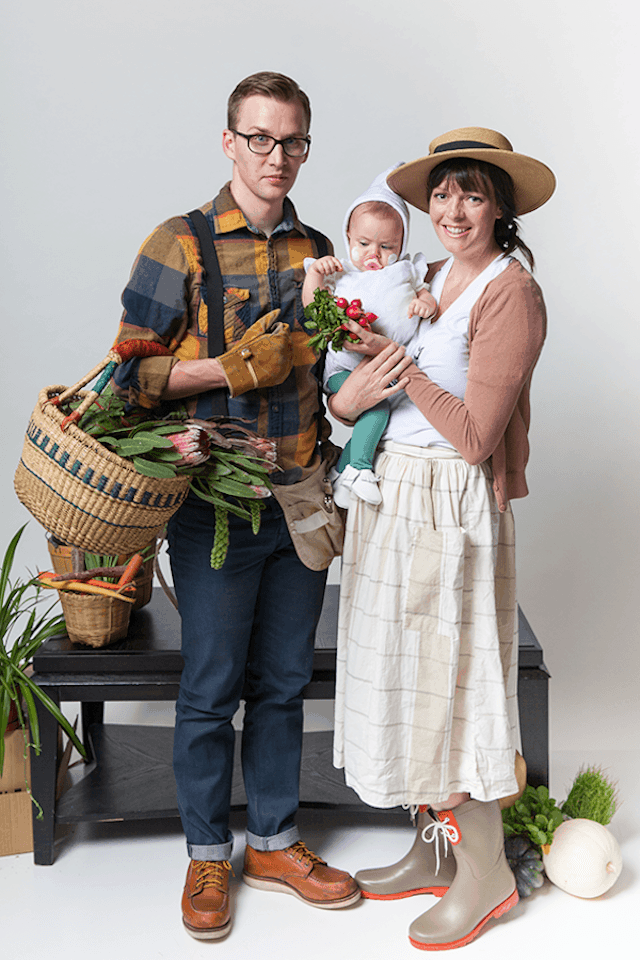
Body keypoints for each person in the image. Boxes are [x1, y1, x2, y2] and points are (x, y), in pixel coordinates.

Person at [111, 72, 361, 942]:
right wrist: (228, 369)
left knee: (285, 684)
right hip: (214, 508)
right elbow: (130, 377)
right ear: (229, 141)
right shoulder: (177, 244)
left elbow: (330, 376)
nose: (276, 158)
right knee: (212, 690)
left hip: (298, 500)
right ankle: (208, 852)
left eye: (292, 141)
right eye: (259, 139)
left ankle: (278, 842)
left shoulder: (318, 248)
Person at [327, 127, 555, 951]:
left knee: (452, 684)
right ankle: (436, 854)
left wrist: (394, 362)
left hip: (448, 505)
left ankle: (486, 873)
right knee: (405, 677)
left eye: (474, 193)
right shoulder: (419, 276)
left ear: (500, 207)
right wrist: (350, 398)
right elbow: (354, 392)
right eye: (444, 193)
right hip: (393, 496)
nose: (454, 209)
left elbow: (473, 436)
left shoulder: (509, 292)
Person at [302, 165, 437, 507]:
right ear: (348, 237)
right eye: (363, 243)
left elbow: (425, 293)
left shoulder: (405, 271)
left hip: (387, 367)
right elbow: (313, 307)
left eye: (386, 245)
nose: (373, 255)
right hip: (344, 370)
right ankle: (358, 467)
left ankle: (346, 470)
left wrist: (424, 302)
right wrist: (316, 273)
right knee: (377, 412)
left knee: (383, 418)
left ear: (402, 244)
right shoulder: (342, 274)